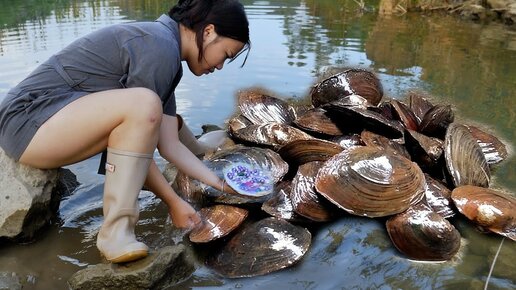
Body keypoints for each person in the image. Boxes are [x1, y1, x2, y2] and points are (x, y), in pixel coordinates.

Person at [0, 0, 250, 264]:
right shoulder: (159, 46)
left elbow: (168, 145)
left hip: (39, 124)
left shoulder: (165, 49)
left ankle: (119, 228)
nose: (221, 66)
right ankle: (115, 232)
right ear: (208, 31)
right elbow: (141, 137)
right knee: (145, 104)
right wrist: (174, 201)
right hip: (26, 122)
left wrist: (221, 184)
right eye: (226, 55)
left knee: (149, 107)